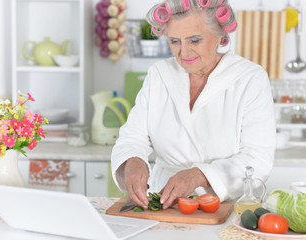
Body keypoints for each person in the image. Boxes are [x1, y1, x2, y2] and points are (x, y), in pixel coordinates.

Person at [111, 0, 276, 210]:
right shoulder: (159, 74)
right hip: (162, 203)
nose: (184, 52)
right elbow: (133, 135)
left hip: (224, 205)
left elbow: (258, 159)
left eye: (195, 40)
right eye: (174, 41)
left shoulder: (250, 78)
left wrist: (198, 176)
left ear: (219, 36)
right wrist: (132, 161)